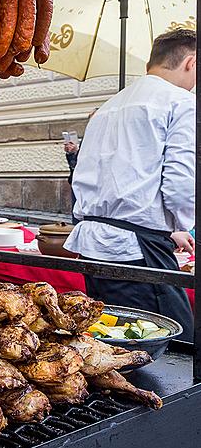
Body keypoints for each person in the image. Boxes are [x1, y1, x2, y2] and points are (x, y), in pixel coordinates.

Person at [64, 28, 196, 341]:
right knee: (178, 346)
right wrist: (186, 224)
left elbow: (107, 178)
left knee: (113, 341)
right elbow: (180, 184)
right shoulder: (181, 103)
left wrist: (170, 227)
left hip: (95, 245)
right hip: (134, 250)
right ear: (191, 62)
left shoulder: (107, 107)